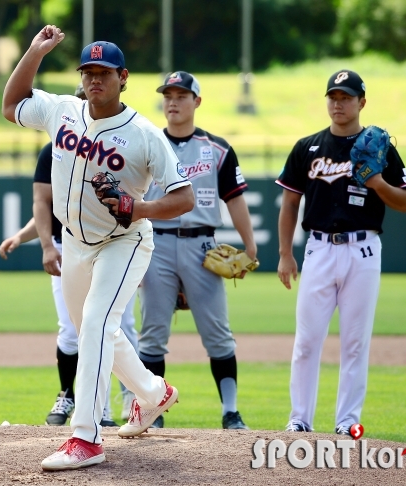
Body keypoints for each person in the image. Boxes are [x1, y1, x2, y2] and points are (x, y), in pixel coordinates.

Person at [2, 25, 194, 470]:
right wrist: (34, 51)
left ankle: (86, 438)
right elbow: (11, 104)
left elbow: (183, 197)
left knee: (93, 323)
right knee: (96, 327)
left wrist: (139, 206)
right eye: (88, 70)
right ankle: (152, 393)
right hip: (75, 243)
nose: (94, 79)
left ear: (123, 77)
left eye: (104, 72)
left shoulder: (146, 134)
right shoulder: (62, 111)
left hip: (123, 241)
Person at [276, 70, 406, 434]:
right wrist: (285, 253)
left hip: (364, 250)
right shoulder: (308, 147)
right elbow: (290, 203)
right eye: (333, 96)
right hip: (319, 249)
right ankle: (299, 419)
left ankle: (347, 421)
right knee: (306, 341)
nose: (338, 103)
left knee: (355, 342)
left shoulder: (380, 147)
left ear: (361, 102)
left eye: (346, 97)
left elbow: (405, 202)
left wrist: (377, 181)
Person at [0, 84, 139, 427]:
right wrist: (39, 242)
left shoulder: (116, 149)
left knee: (117, 326)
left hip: (113, 246)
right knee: (73, 329)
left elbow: (131, 202)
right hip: (68, 247)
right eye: (78, 102)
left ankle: (130, 397)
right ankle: (71, 396)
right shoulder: (54, 150)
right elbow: (47, 206)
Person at [137, 71, 257, 431]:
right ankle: (152, 411)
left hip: (202, 245)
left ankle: (231, 411)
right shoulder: (147, 142)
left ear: (196, 102)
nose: (172, 101)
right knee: (153, 332)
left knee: (217, 332)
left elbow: (234, 200)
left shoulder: (217, 148)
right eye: (168, 95)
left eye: (181, 95)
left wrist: (249, 245)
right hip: (155, 242)